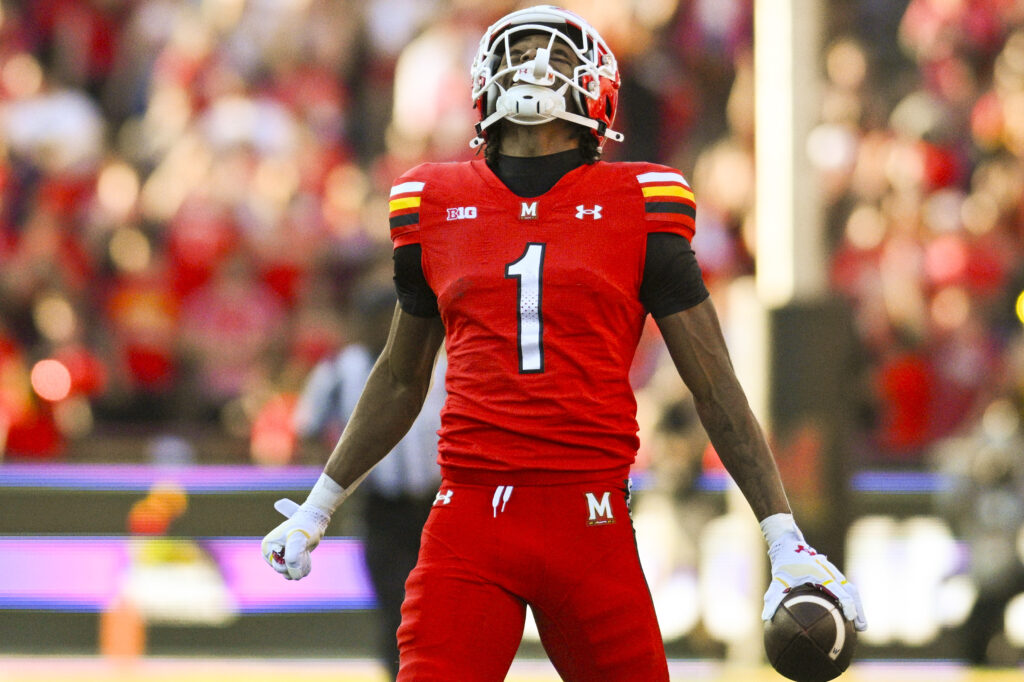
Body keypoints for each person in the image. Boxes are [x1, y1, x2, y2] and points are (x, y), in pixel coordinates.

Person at [262, 6, 867, 680]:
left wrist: (782, 534)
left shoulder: (641, 201)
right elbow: (401, 377)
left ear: (598, 89)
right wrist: (318, 506)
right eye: (519, 55)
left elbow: (713, 385)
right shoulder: (431, 202)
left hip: (591, 521)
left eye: (551, 58)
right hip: (470, 520)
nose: (533, 69)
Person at [292, 279, 445, 681]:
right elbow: (308, 426)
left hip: (435, 502)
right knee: (393, 602)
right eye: (374, 318)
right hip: (380, 505)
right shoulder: (341, 368)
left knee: (439, 604)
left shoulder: (441, 361)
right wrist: (332, 479)